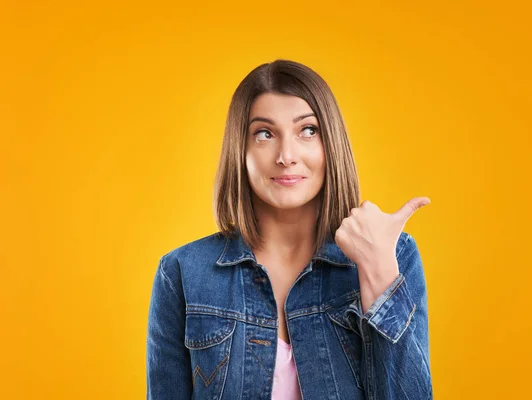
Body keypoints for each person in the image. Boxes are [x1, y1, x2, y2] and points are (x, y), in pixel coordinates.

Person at [146, 59, 433, 399]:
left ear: (331, 144)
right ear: (241, 151)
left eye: (308, 131)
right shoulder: (182, 273)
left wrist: (378, 273)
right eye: (264, 134)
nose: (286, 155)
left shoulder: (395, 256)